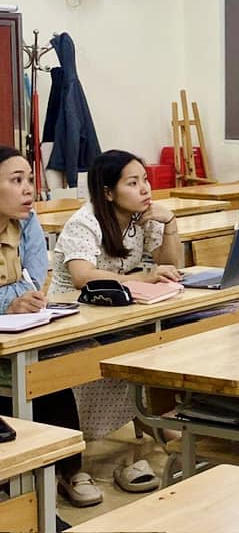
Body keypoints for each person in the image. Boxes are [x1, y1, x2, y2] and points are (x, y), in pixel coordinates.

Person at [48, 150, 183, 500]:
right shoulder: (86, 221)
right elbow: (82, 276)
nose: (145, 189)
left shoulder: (142, 219)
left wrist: (170, 223)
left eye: (145, 180)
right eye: (133, 183)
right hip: (74, 318)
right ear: (108, 192)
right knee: (113, 354)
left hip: (117, 314)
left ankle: (158, 421)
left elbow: (171, 265)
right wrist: (142, 277)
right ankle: (71, 465)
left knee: (166, 338)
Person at [0, 148, 100, 508]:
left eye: (30, 179)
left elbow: (34, 279)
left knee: (50, 372)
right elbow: (18, 292)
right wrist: (8, 303)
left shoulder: (26, 220)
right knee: (32, 377)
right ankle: (23, 488)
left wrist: (15, 301)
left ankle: (68, 470)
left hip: (22, 331)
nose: (28, 189)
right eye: (16, 180)